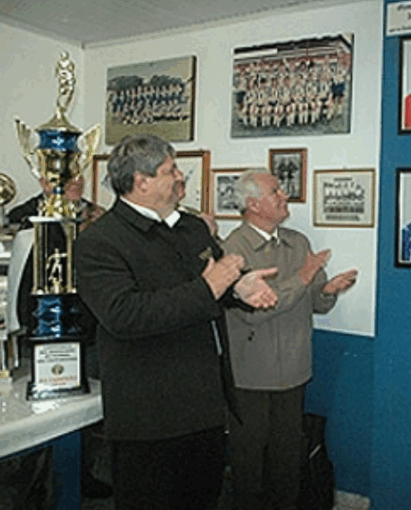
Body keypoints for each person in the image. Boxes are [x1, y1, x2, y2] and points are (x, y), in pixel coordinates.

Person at [74, 135, 278, 510]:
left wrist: (240, 288)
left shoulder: (191, 228)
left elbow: (217, 281)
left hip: (205, 407)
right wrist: (211, 288)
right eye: (170, 170)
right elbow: (123, 315)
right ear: (142, 180)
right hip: (148, 418)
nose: (180, 176)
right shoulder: (100, 241)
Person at [222, 168, 358, 510]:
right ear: (253, 204)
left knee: (287, 465)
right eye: (275, 191)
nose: (284, 195)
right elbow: (256, 309)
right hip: (250, 376)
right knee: (248, 466)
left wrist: (327, 290)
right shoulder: (232, 251)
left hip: (294, 371)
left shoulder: (297, 242)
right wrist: (303, 277)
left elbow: (314, 301)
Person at [6, 174, 110, 498]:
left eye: (78, 177)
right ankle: (31, 483)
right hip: (45, 334)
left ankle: (82, 475)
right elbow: (24, 286)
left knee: (83, 414)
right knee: (38, 415)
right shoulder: (28, 217)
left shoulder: (97, 215)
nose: (74, 183)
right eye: (65, 178)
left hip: (88, 332)